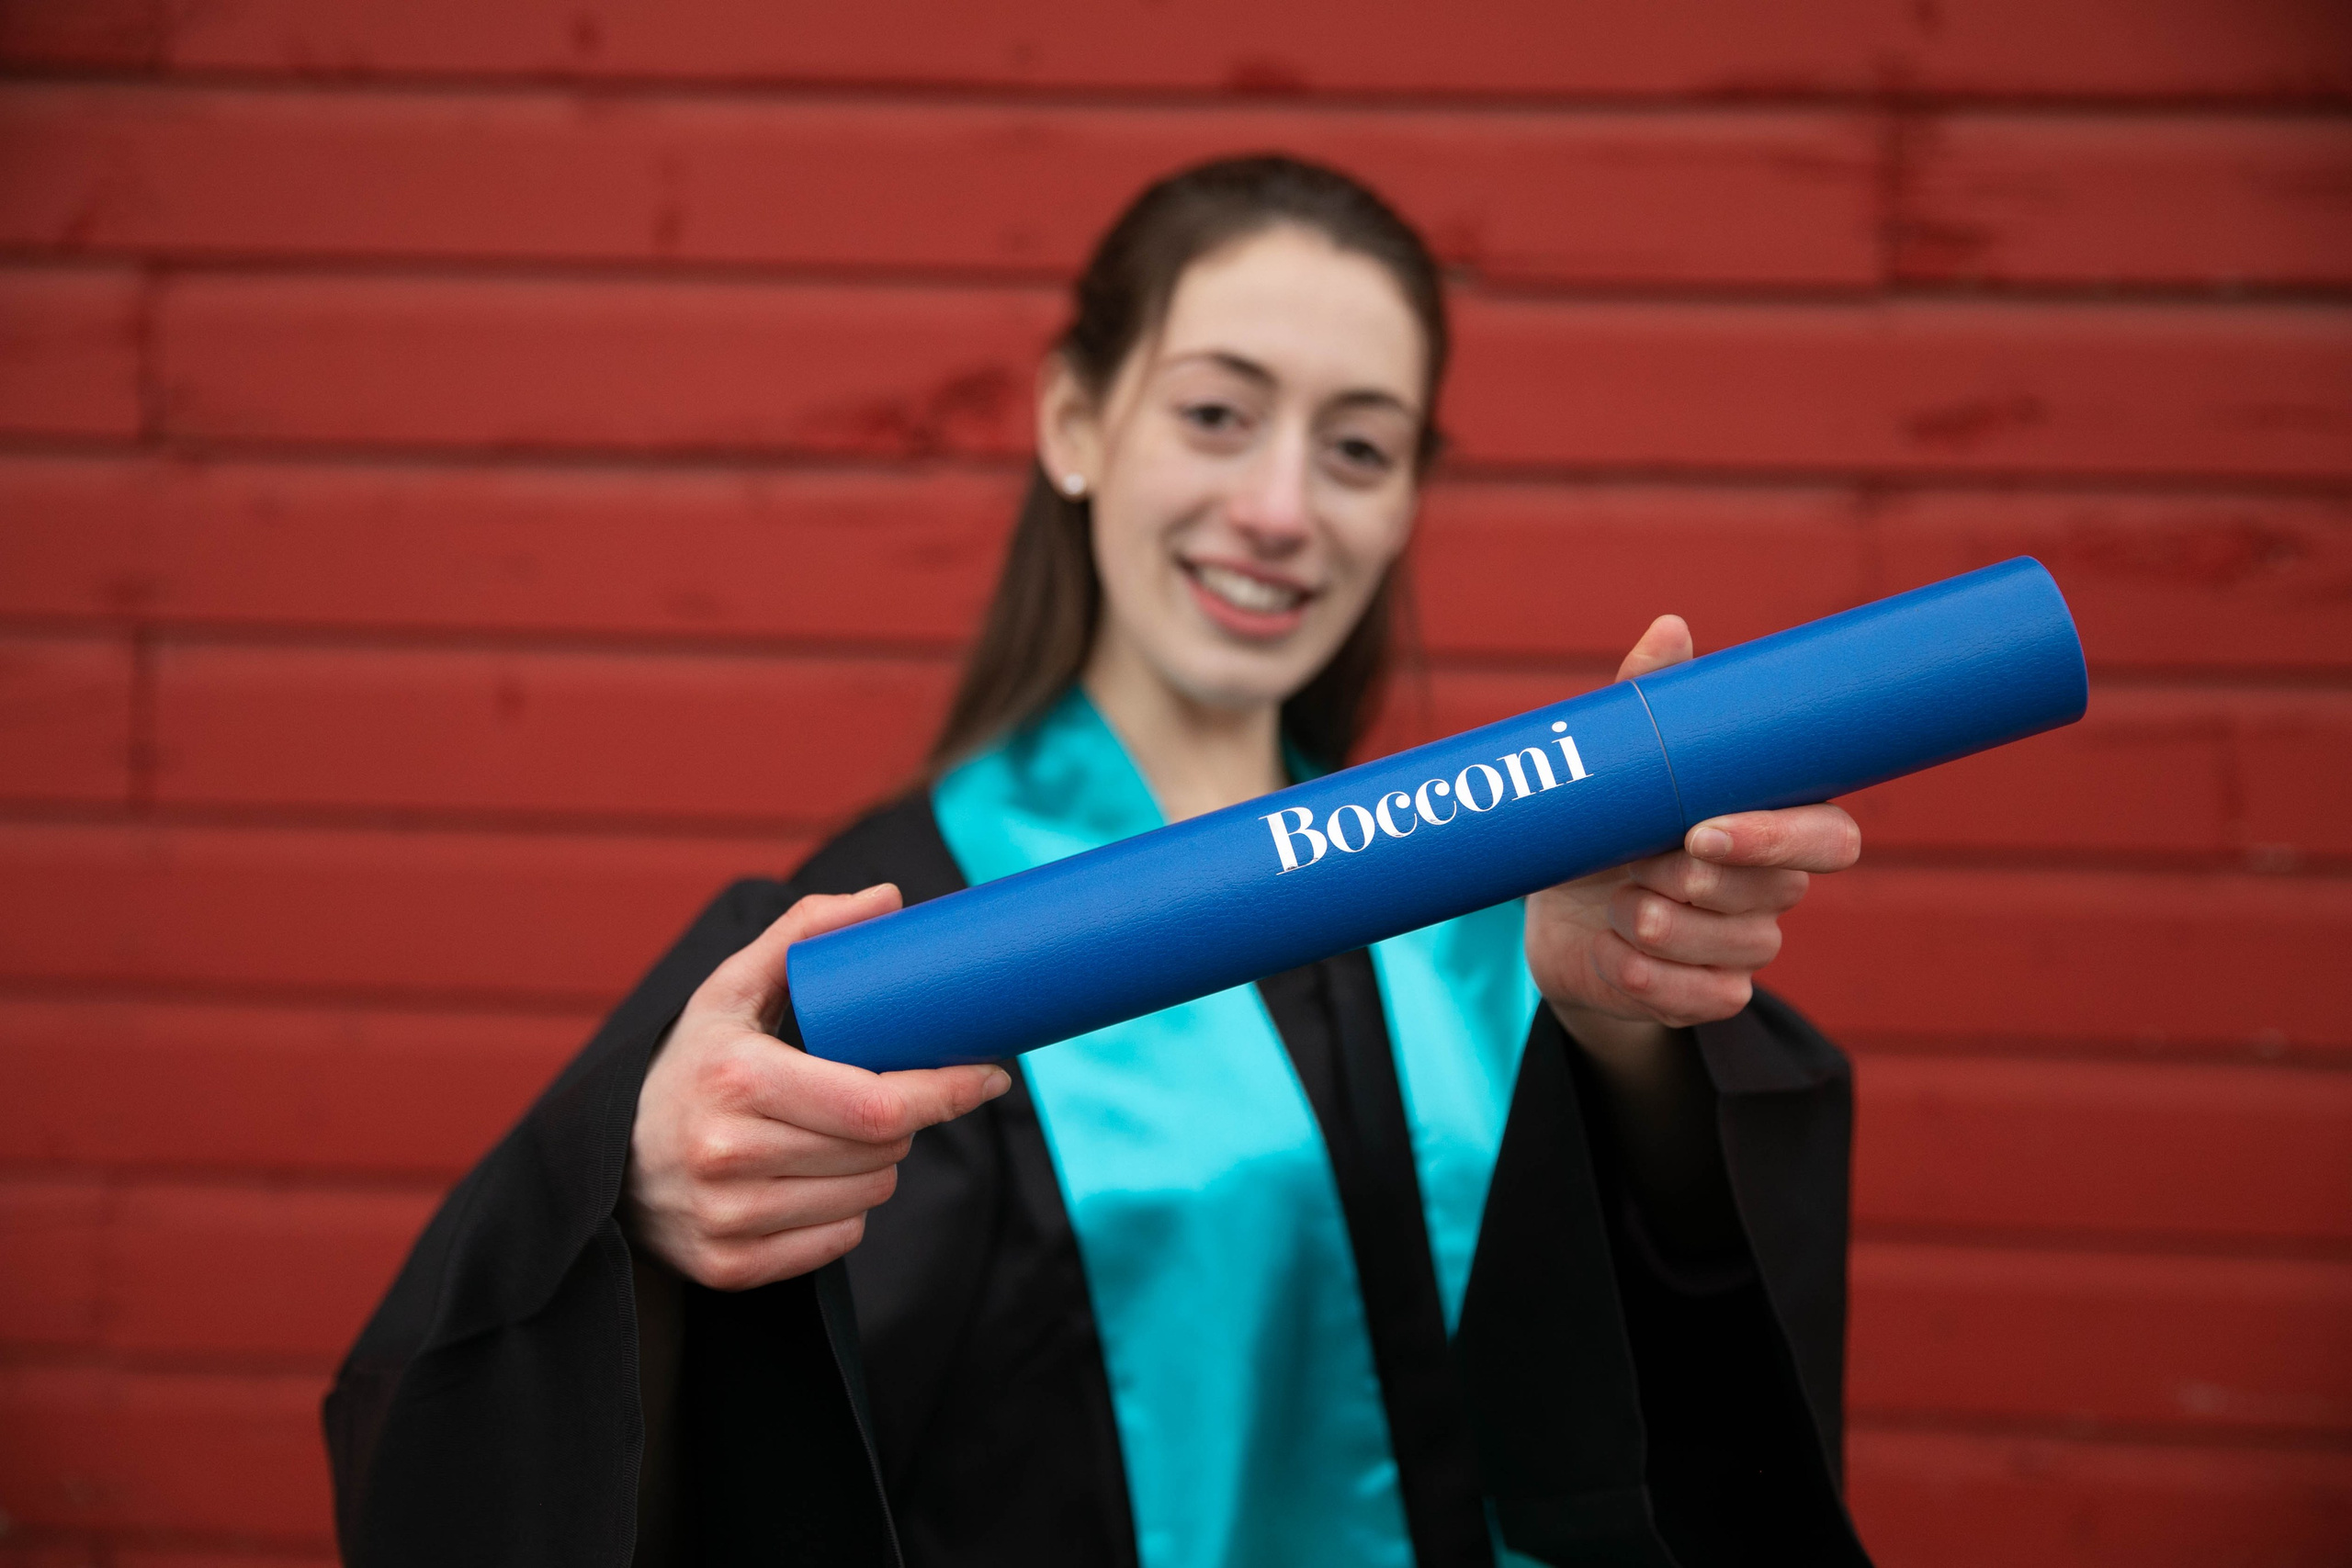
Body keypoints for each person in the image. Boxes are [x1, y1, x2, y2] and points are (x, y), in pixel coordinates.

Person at [326, 156, 1872, 1568]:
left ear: (1408, 499)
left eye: (1358, 447)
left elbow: (1687, 1407)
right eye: (1216, 412)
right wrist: (645, 1219)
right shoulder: (901, 947)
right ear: (1075, 423)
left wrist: (1626, 1042)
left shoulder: (1499, 914)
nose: (1278, 508)